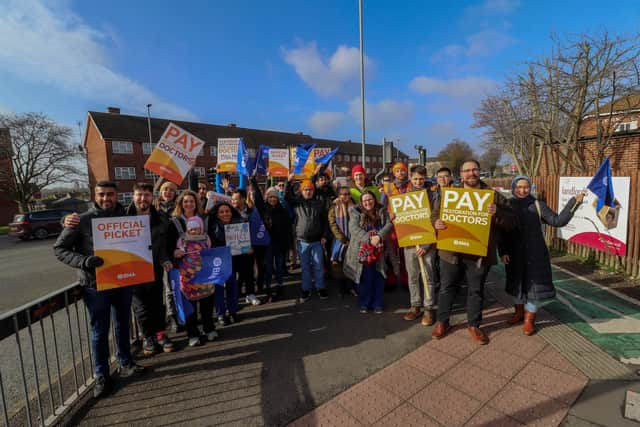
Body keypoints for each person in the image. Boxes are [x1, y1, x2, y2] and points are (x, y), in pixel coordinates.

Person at [54, 181, 144, 399]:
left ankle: (125, 362)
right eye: (102, 194)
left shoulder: (127, 217)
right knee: (99, 331)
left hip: (121, 282)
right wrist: (84, 261)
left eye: (110, 194)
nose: (106, 198)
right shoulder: (81, 220)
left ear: (117, 195)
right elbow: (59, 248)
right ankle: (101, 374)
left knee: (123, 324)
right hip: (95, 286)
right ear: (95, 195)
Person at [432, 160, 517, 344]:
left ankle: (474, 325)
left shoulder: (493, 196)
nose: (471, 173)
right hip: (451, 251)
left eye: (475, 170)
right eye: (467, 170)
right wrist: (436, 223)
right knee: (447, 287)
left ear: (480, 172)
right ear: (461, 174)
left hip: (479, 253)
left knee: (476, 290)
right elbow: (434, 214)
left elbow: (511, 221)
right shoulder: (450, 195)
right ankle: (442, 322)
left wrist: (497, 214)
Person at [499, 176, 584, 335]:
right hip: (514, 254)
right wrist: (502, 251)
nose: (522, 190)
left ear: (530, 188)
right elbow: (502, 232)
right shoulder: (507, 205)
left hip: (535, 254)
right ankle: (518, 313)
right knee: (516, 284)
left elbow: (558, 221)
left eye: (525, 187)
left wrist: (574, 203)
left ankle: (529, 319)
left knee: (535, 288)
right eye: (518, 187)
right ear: (513, 188)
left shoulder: (538, 205)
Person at [168, 190, 218, 347]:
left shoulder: (205, 219)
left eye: (192, 201)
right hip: (185, 271)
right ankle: (192, 333)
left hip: (204, 268)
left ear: (196, 203)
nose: (189, 204)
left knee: (207, 299)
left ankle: (209, 328)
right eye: (185, 201)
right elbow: (168, 244)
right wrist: (174, 252)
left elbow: (213, 242)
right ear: (180, 204)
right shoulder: (174, 222)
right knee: (189, 301)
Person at [343, 191, 393, 313]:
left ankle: (378, 304)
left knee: (379, 276)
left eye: (370, 199)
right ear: (361, 202)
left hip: (379, 250)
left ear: (374, 199)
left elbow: (389, 225)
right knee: (364, 277)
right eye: (365, 200)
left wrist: (379, 236)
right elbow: (353, 229)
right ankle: (365, 303)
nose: (368, 202)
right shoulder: (356, 212)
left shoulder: (382, 210)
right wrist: (370, 240)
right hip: (363, 251)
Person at [400, 165, 438, 326]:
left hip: (427, 243)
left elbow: (435, 219)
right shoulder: (405, 196)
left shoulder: (432, 195)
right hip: (410, 243)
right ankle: (415, 305)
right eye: (415, 178)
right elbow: (404, 219)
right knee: (413, 275)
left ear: (426, 177)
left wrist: (427, 244)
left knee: (428, 276)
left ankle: (429, 308)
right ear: (410, 178)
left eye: (421, 178)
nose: (418, 181)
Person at [285, 174, 329, 302]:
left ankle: (320, 287)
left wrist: (325, 236)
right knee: (305, 268)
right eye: (305, 189)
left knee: (318, 266)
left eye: (310, 189)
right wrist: (289, 181)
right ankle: (306, 289)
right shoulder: (297, 202)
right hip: (302, 241)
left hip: (317, 241)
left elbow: (325, 221)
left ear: (313, 191)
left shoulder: (320, 204)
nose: (308, 191)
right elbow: (287, 197)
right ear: (302, 191)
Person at [251, 178, 291, 301]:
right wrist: (253, 180)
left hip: (280, 245)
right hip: (267, 246)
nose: (273, 199)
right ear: (267, 198)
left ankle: (280, 288)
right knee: (268, 269)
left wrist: (287, 244)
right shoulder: (263, 209)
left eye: (275, 197)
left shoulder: (283, 211)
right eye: (270, 197)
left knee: (279, 268)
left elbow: (287, 229)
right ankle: (268, 289)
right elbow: (257, 197)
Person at [154, 181, 182, 333]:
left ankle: (183, 313)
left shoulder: (178, 208)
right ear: (161, 192)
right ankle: (172, 316)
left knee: (180, 284)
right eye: (165, 190)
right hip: (161, 254)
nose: (168, 193)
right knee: (168, 288)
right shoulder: (154, 209)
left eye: (171, 190)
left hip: (177, 251)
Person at [209, 202, 242, 325]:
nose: (225, 214)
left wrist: (246, 248)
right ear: (217, 215)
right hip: (217, 262)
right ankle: (220, 314)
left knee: (232, 286)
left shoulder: (238, 224)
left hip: (233, 261)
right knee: (218, 289)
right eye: (221, 212)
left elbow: (243, 242)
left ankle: (233, 311)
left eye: (227, 211)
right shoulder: (212, 226)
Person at [230, 189, 260, 305]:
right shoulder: (229, 212)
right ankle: (235, 296)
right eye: (232, 199)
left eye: (236, 199)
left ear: (243, 199)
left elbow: (256, 229)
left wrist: (252, 245)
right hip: (233, 249)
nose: (233, 201)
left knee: (248, 271)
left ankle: (250, 294)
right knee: (235, 273)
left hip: (248, 248)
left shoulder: (252, 212)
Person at [328, 185, 356, 296]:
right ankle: (342, 288)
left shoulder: (354, 206)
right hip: (340, 240)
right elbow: (332, 224)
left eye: (348, 194)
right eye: (344, 194)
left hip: (353, 239)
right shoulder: (334, 206)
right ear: (339, 195)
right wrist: (343, 239)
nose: (346, 196)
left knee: (352, 264)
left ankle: (351, 287)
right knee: (339, 264)